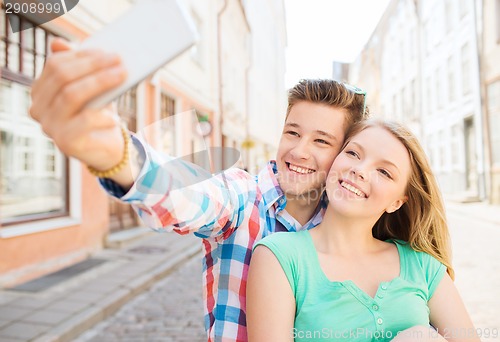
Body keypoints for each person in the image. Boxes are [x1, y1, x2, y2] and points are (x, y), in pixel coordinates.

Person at [29, 39, 368, 341]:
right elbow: (190, 193)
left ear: (344, 153)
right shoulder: (242, 196)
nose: (298, 151)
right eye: (292, 133)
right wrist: (117, 155)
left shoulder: (348, 219)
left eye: (321, 141)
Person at [247, 120, 479, 342]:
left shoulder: (422, 266)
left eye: (384, 172)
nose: (359, 170)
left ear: (397, 202)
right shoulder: (279, 257)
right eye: (353, 154)